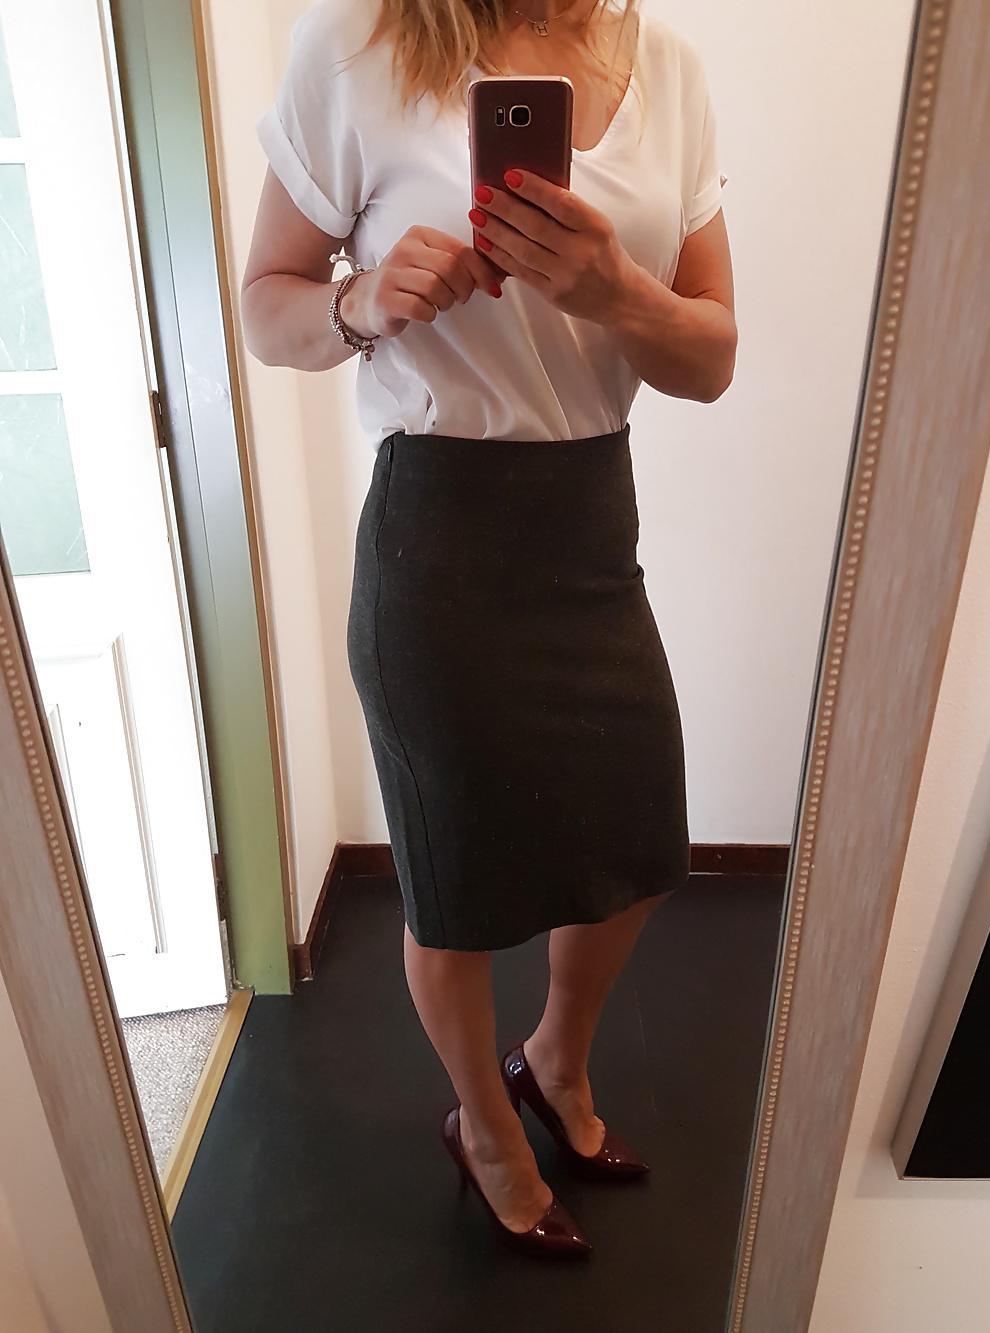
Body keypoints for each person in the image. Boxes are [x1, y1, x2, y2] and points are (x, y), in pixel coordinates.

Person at [242, 0, 736, 1258]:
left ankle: (555, 1061)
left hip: (591, 519)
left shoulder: (667, 70)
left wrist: (615, 292)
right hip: (437, 535)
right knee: (452, 883)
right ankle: (483, 1121)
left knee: (639, 839)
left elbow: (709, 358)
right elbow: (265, 308)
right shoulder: (357, 43)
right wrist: (362, 302)